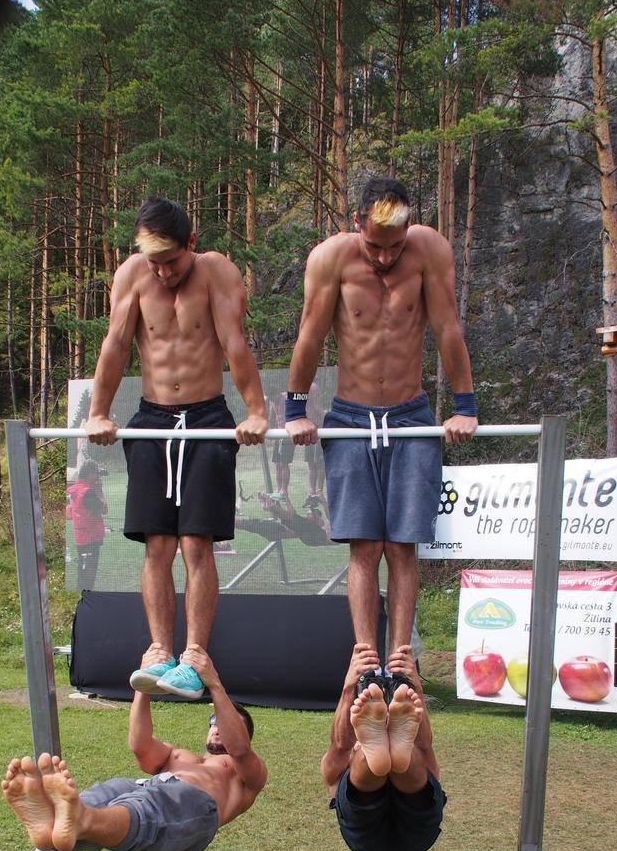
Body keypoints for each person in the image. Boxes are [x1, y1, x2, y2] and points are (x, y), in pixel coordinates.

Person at [285, 175, 477, 673]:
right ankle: (366, 660)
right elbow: (310, 335)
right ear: (357, 223)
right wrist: (295, 410)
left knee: (403, 546)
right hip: (351, 416)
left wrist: (465, 406)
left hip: (410, 415)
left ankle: (401, 661)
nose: (386, 257)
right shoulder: (331, 258)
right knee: (365, 546)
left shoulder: (429, 250)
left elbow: (447, 328)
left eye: (395, 246)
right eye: (375, 246)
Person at [85, 196, 267, 699]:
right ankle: (159, 650)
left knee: (195, 544)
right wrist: (98, 412)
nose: (163, 273)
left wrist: (256, 412)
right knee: (158, 545)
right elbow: (116, 344)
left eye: (171, 261)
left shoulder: (216, 272)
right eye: (154, 263)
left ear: (192, 242)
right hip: (153, 418)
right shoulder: (132, 275)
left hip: (208, 417)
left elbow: (234, 343)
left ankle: (194, 657)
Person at [2, 645, 266, 851]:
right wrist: (143, 682)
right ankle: (53, 825)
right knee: (114, 790)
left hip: (191, 812)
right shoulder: (179, 755)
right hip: (146, 796)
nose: (218, 727)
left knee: (154, 801)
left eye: (227, 723)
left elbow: (239, 749)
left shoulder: (244, 774)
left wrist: (214, 684)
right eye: (214, 721)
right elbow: (140, 745)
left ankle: (80, 818)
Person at [321, 643, 447, 851]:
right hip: (419, 831)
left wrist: (349, 687)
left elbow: (340, 747)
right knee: (413, 757)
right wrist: (416, 685)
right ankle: (395, 758)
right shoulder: (409, 740)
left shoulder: (352, 746)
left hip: (362, 835)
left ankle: (374, 758)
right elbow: (425, 747)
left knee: (362, 756)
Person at [66, 458, 108, 591]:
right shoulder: (87, 492)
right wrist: (99, 490)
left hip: (82, 537)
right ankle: (84, 598)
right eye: (95, 473)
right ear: (89, 473)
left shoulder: (77, 489)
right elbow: (104, 509)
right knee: (88, 578)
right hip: (90, 538)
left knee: (83, 574)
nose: (97, 477)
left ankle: (81, 597)